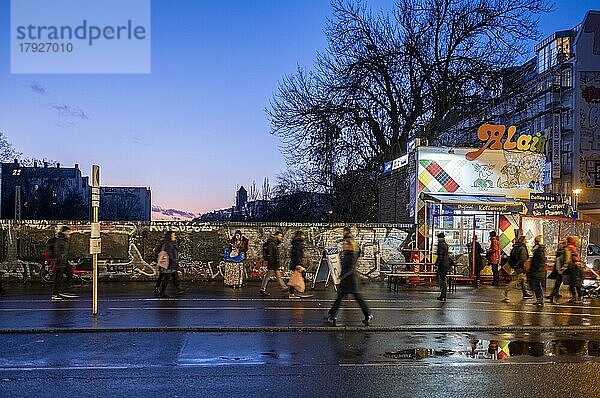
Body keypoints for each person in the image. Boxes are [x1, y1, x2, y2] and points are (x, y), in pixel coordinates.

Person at [327, 227, 373, 326]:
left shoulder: (351, 255)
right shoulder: (347, 254)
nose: (343, 246)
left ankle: (368, 314)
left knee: (357, 298)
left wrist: (341, 277)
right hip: (347, 280)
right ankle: (332, 314)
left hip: (351, 280)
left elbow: (350, 268)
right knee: (341, 298)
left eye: (345, 244)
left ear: (349, 246)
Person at [51, 226, 78, 301]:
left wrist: (68, 259)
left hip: (64, 262)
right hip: (60, 262)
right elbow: (58, 251)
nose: (69, 233)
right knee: (58, 279)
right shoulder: (60, 240)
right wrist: (62, 259)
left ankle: (63, 290)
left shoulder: (65, 240)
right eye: (68, 231)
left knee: (69, 274)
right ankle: (55, 294)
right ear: (64, 232)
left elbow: (66, 251)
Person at [503, 236, 533, 301]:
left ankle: (525, 293)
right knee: (516, 281)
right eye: (525, 240)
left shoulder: (515, 247)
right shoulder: (522, 248)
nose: (526, 242)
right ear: (523, 241)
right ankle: (506, 291)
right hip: (520, 267)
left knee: (522, 280)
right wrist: (524, 266)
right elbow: (523, 259)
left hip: (517, 266)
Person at [157, 231, 185, 298]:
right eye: (173, 235)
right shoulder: (168, 244)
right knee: (166, 278)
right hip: (169, 264)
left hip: (170, 264)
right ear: (170, 236)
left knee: (167, 277)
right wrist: (173, 264)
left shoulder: (170, 244)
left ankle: (161, 291)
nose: (175, 236)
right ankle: (162, 292)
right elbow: (170, 255)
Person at [259, 231, 288, 296]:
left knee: (278, 275)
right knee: (268, 276)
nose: (281, 238)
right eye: (280, 236)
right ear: (276, 236)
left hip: (274, 262)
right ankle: (262, 289)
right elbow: (272, 254)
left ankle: (284, 287)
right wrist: (275, 262)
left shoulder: (274, 242)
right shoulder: (272, 243)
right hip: (272, 262)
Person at [564, 235, 584, 304]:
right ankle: (578, 297)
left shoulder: (569, 248)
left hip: (574, 268)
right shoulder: (574, 248)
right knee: (577, 283)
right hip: (578, 267)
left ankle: (576, 297)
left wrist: (563, 268)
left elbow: (567, 259)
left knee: (573, 283)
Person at [528, 235, 546, 306]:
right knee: (537, 285)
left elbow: (538, 261)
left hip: (537, 271)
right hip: (537, 270)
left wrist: (534, 268)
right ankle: (539, 298)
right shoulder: (539, 249)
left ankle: (539, 299)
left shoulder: (539, 250)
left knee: (536, 285)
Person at [546, 239, 567, 303]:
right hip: (559, 270)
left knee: (558, 283)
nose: (559, 245)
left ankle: (552, 295)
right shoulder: (560, 251)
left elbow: (560, 261)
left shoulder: (563, 251)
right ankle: (554, 294)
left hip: (561, 270)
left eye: (560, 244)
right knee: (557, 283)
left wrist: (560, 269)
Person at [288, 231, 307, 299]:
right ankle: (294, 292)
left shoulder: (296, 243)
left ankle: (293, 292)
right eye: (303, 235)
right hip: (296, 263)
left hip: (296, 263)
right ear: (300, 235)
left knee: (295, 278)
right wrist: (298, 264)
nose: (304, 237)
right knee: (297, 278)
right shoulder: (297, 244)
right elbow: (297, 254)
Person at [434, 232, 450, 301]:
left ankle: (443, 295)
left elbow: (440, 256)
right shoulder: (445, 244)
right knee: (443, 280)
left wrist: (436, 264)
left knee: (442, 280)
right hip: (446, 264)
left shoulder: (440, 245)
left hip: (442, 265)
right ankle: (443, 295)